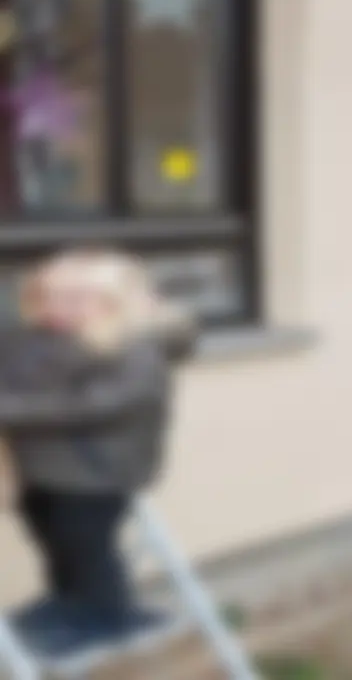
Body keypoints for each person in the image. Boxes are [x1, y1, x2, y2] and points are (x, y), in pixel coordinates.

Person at [0, 248, 194, 658]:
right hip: (43, 471)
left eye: (72, 298)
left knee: (86, 545)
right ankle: (65, 602)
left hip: (96, 474)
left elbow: (91, 406)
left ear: (115, 301)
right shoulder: (41, 341)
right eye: (45, 295)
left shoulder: (136, 349)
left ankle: (106, 616)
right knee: (50, 538)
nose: (54, 306)